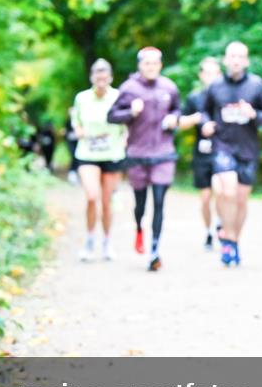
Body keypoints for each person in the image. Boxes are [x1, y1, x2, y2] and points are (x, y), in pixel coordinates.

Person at [199, 41, 262, 266]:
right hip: (222, 145)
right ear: (225, 60)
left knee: (241, 200)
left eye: (240, 57)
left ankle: (233, 240)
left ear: (246, 61)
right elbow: (204, 110)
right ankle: (227, 236)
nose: (235, 61)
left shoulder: (256, 85)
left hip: (248, 149)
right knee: (228, 190)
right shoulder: (215, 86)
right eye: (231, 56)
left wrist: (254, 114)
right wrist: (205, 123)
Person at [107, 47, 181, 271]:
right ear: (140, 65)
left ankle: (155, 250)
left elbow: (178, 110)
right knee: (140, 204)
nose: (151, 67)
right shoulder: (129, 88)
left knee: (159, 201)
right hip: (138, 154)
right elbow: (111, 115)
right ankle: (139, 227)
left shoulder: (169, 87)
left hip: (163, 152)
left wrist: (173, 119)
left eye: (155, 63)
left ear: (160, 65)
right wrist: (130, 112)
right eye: (147, 64)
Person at [71, 59, 126, 262]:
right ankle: (89, 238)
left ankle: (107, 241)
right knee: (92, 196)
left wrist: (125, 140)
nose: (101, 80)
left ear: (110, 78)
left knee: (106, 202)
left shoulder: (119, 97)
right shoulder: (82, 98)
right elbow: (76, 121)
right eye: (97, 76)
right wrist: (78, 130)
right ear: (92, 77)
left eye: (104, 77)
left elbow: (126, 123)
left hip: (112, 155)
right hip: (88, 154)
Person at [178, 57, 223, 249]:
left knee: (221, 190)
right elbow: (180, 122)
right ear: (201, 75)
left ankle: (221, 224)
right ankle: (208, 231)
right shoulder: (195, 98)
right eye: (207, 73)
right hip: (202, 152)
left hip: (222, 151)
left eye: (214, 73)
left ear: (220, 74)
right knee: (205, 198)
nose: (210, 77)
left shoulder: (226, 96)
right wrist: (197, 120)